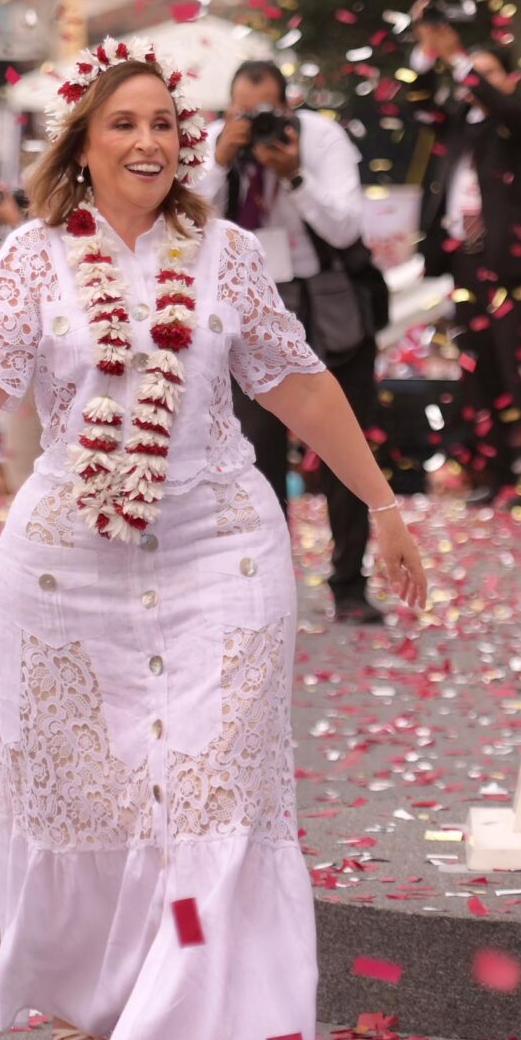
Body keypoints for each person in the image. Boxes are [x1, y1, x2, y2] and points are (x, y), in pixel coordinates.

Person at [0, 43, 427, 1040]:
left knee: (219, 791)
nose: (148, 141)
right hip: (63, 567)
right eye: (122, 124)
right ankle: (101, 1003)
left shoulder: (229, 253)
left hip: (222, 548)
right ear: (83, 148)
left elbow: (299, 386)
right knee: (88, 791)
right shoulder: (33, 258)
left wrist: (380, 506)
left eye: (162, 123)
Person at [193, 57, 387, 622]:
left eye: (266, 113)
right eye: (242, 113)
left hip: (327, 304)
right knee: (257, 454)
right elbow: (189, 227)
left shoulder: (320, 139)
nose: (255, 125)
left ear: (288, 105)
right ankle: (265, 587)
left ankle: (349, 583)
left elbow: (347, 227)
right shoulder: (211, 146)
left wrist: (296, 175)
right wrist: (219, 161)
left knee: (342, 447)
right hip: (249, 304)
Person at [409, 0, 521, 495]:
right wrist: (429, 54)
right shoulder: (459, 124)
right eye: (475, 74)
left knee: (520, 371)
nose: (477, 82)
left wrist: (464, 61)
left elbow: (505, 107)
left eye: (490, 74)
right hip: (464, 261)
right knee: (477, 371)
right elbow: (418, 101)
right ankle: (489, 474)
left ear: (508, 80)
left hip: (508, 264)